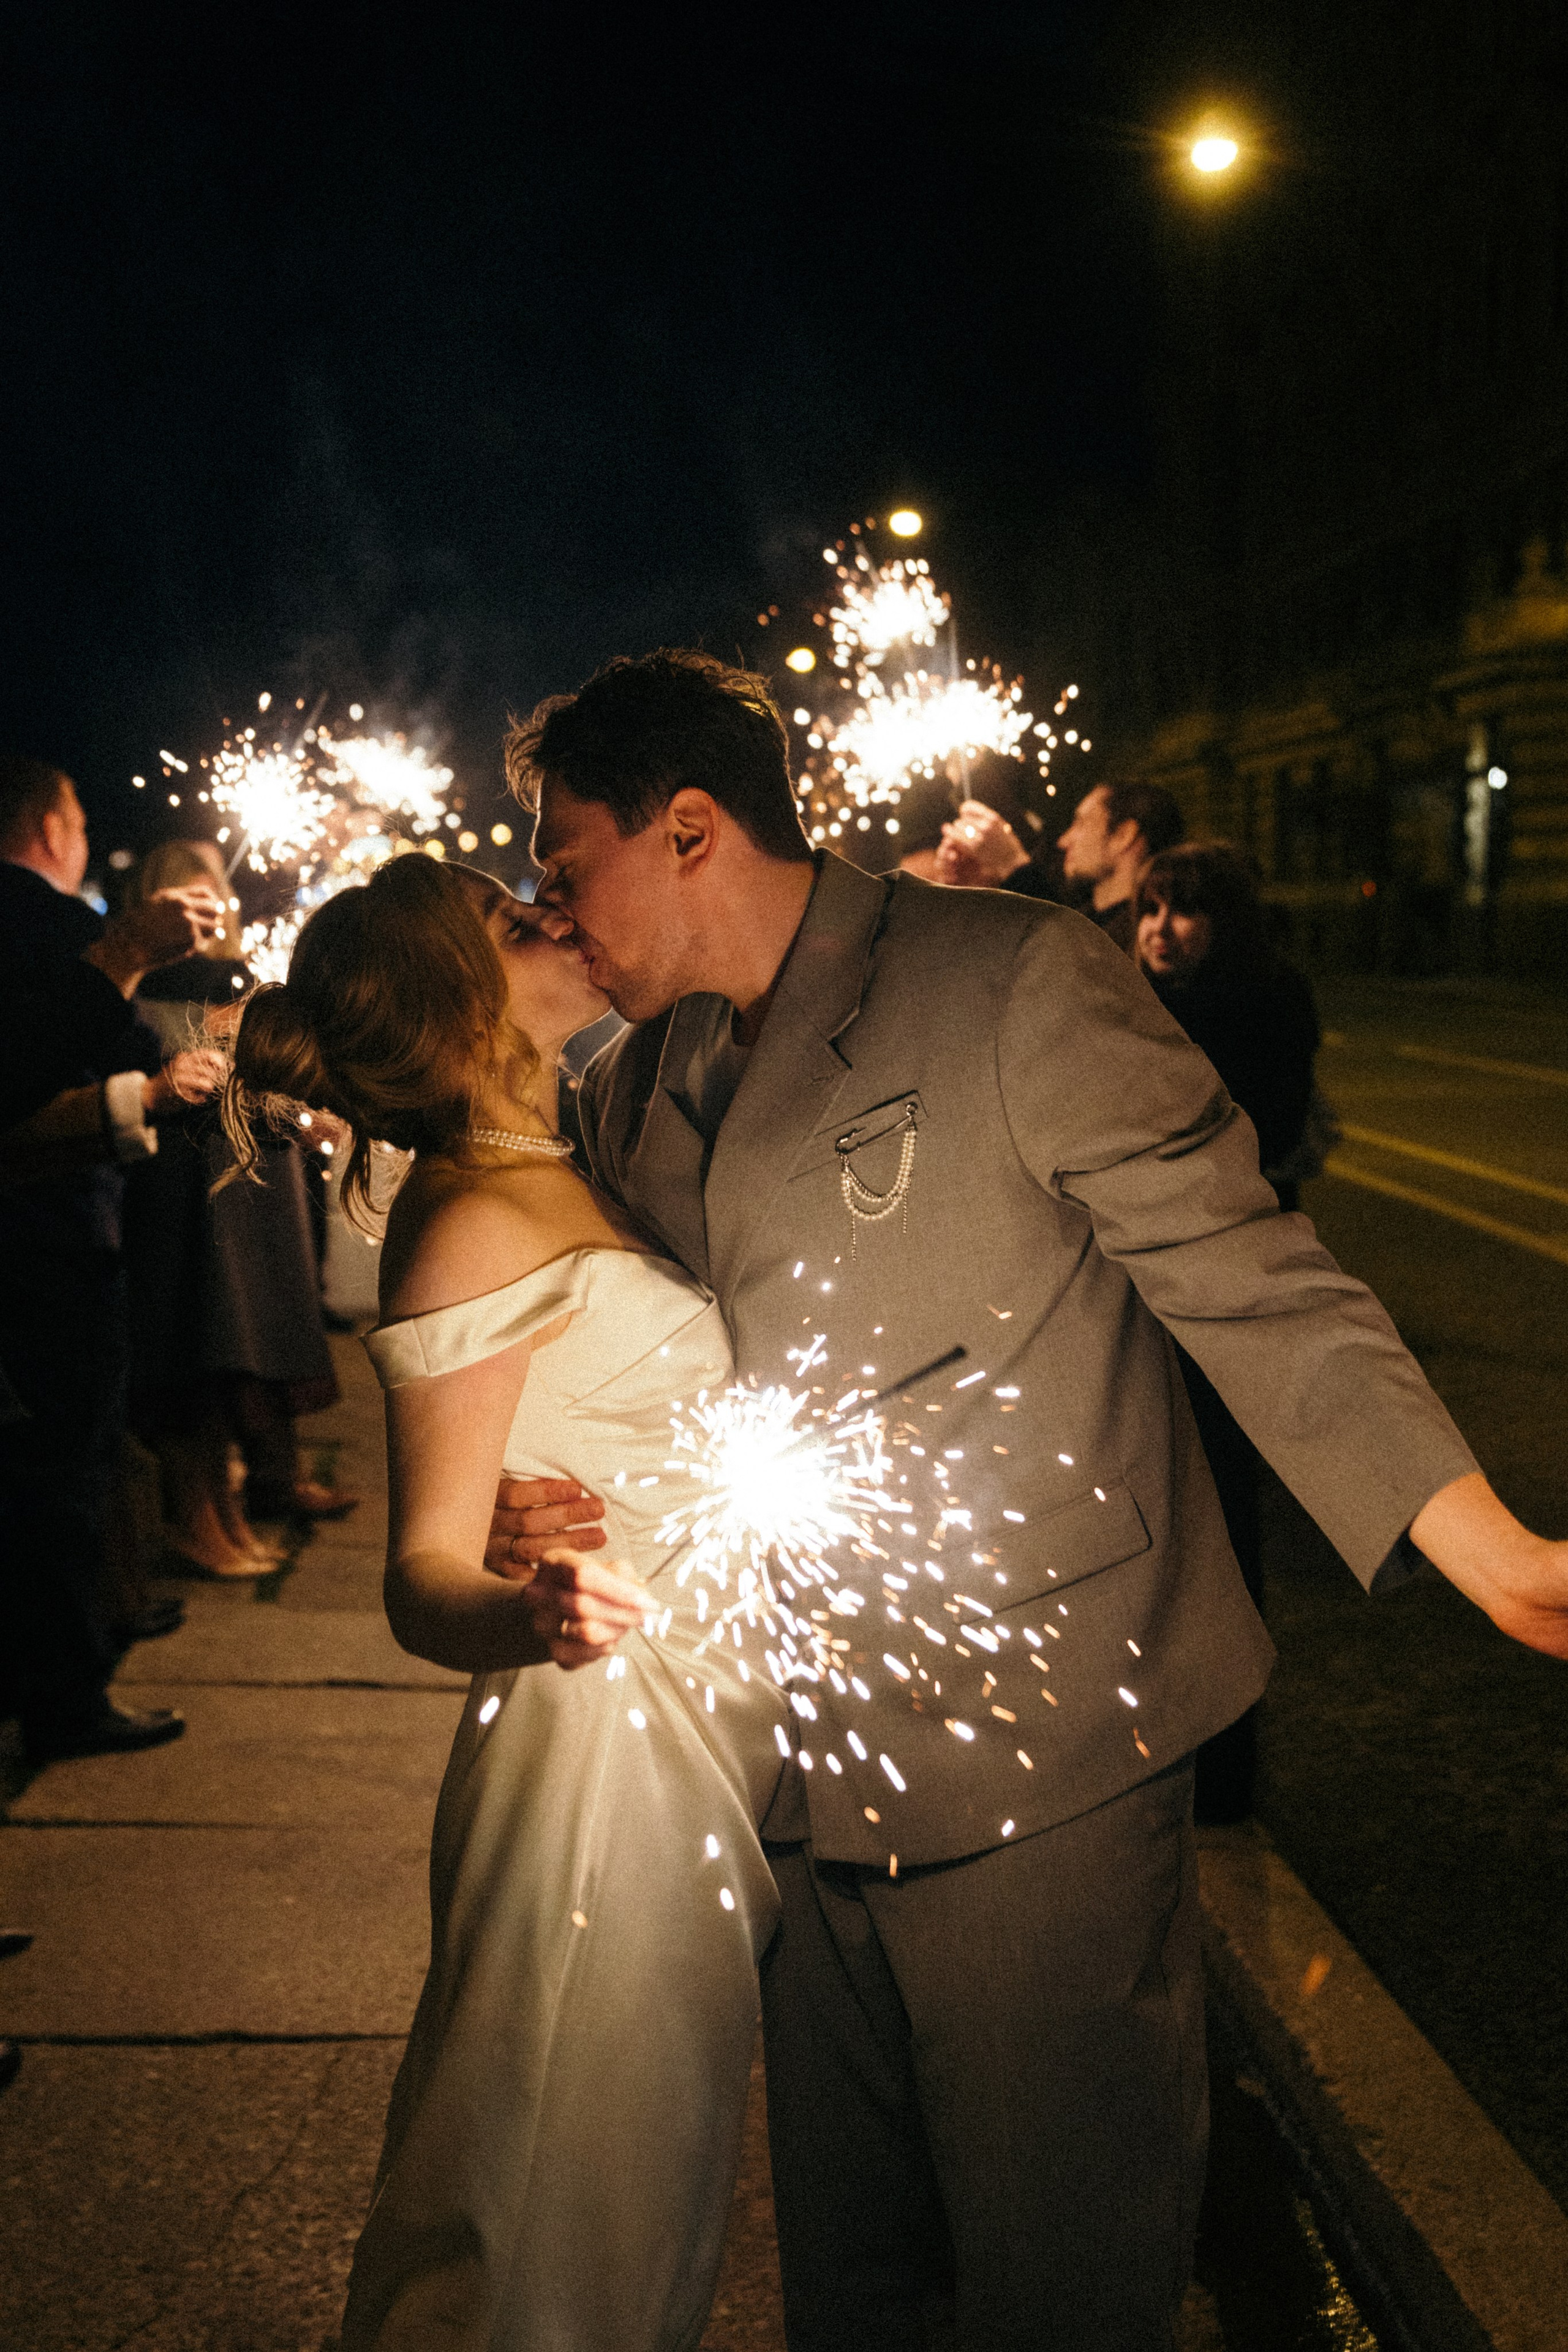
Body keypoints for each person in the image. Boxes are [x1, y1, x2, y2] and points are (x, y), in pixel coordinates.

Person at [488, 649, 1568, 2352]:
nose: (551, 906)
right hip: (783, 1753)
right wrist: (536, 1505)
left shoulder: (1007, 976)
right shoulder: (634, 1073)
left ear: (688, 827)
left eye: (567, 862)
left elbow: (1253, 1274)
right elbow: (635, 1364)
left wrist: (1479, 1543)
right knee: (855, 2275)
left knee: (1061, 2270)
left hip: (1040, 1745)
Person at [223, 853, 794, 2352]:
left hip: (696, 1735)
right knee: (547, 2193)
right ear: (449, 998)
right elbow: (422, 1576)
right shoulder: (469, 1218)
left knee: (642, 2194)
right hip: (596, 1761)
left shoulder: (578, 1150)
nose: (550, 910)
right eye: (505, 915)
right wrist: (535, 1609)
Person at [0, 755, 224, 1762]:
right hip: (41, 1240)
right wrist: (126, 957)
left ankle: (79, 1643)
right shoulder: (40, 923)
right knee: (60, 1470)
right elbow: (28, 1070)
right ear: (53, 827)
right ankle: (63, 1689)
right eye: (81, 820)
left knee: (77, 1461)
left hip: (62, 1232)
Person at [1134, 841, 1324, 1824]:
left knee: (1218, 1520)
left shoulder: (1257, 1006)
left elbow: (1260, 1131)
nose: (1161, 931)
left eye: (1185, 911)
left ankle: (1222, 1764)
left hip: (1227, 1295)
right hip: (1149, 1294)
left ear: (1227, 923)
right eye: (1150, 910)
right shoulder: (1136, 1004)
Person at [124, 837, 352, 1574]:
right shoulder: (140, 988)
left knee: (247, 1345)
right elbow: (190, 1081)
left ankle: (238, 1505)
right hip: (191, 1187)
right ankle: (203, 1519)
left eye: (211, 895)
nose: (205, 910)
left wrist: (300, 1113)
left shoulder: (241, 979)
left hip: (255, 1183)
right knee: (204, 1349)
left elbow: (261, 1077)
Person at [937, 777, 1186, 946]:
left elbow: (1070, 962)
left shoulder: (1153, 939)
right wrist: (975, 891)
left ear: (1123, 836)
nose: (1064, 841)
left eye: (1080, 822)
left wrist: (1012, 865)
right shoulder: (1086, 917)